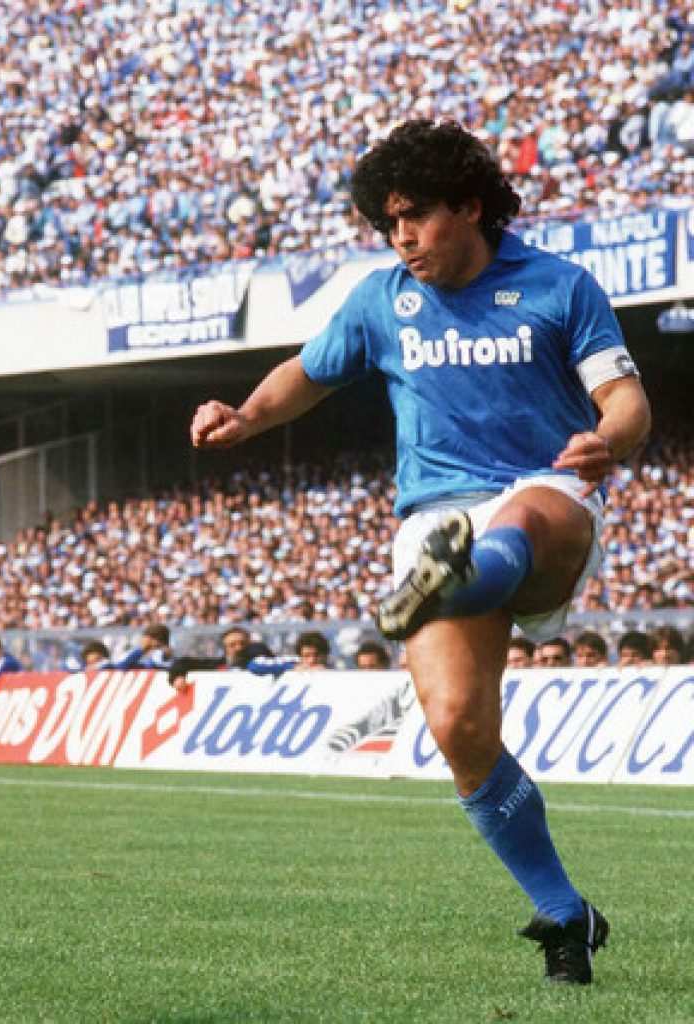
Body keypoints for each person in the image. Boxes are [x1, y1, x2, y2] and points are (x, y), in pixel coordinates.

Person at [189, 119, 651, 984]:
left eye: (416, 216)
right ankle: (565, 914)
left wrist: (606, 440)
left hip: (549, 488)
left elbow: (625, 399)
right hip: (435, 512)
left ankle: (461, 574)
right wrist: (245, 417)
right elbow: (307, 373)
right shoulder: (380, 300)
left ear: (469, 205)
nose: (401, 237)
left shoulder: (559, 286)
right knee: (457, 726)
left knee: (522, 521)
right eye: (387, 222)